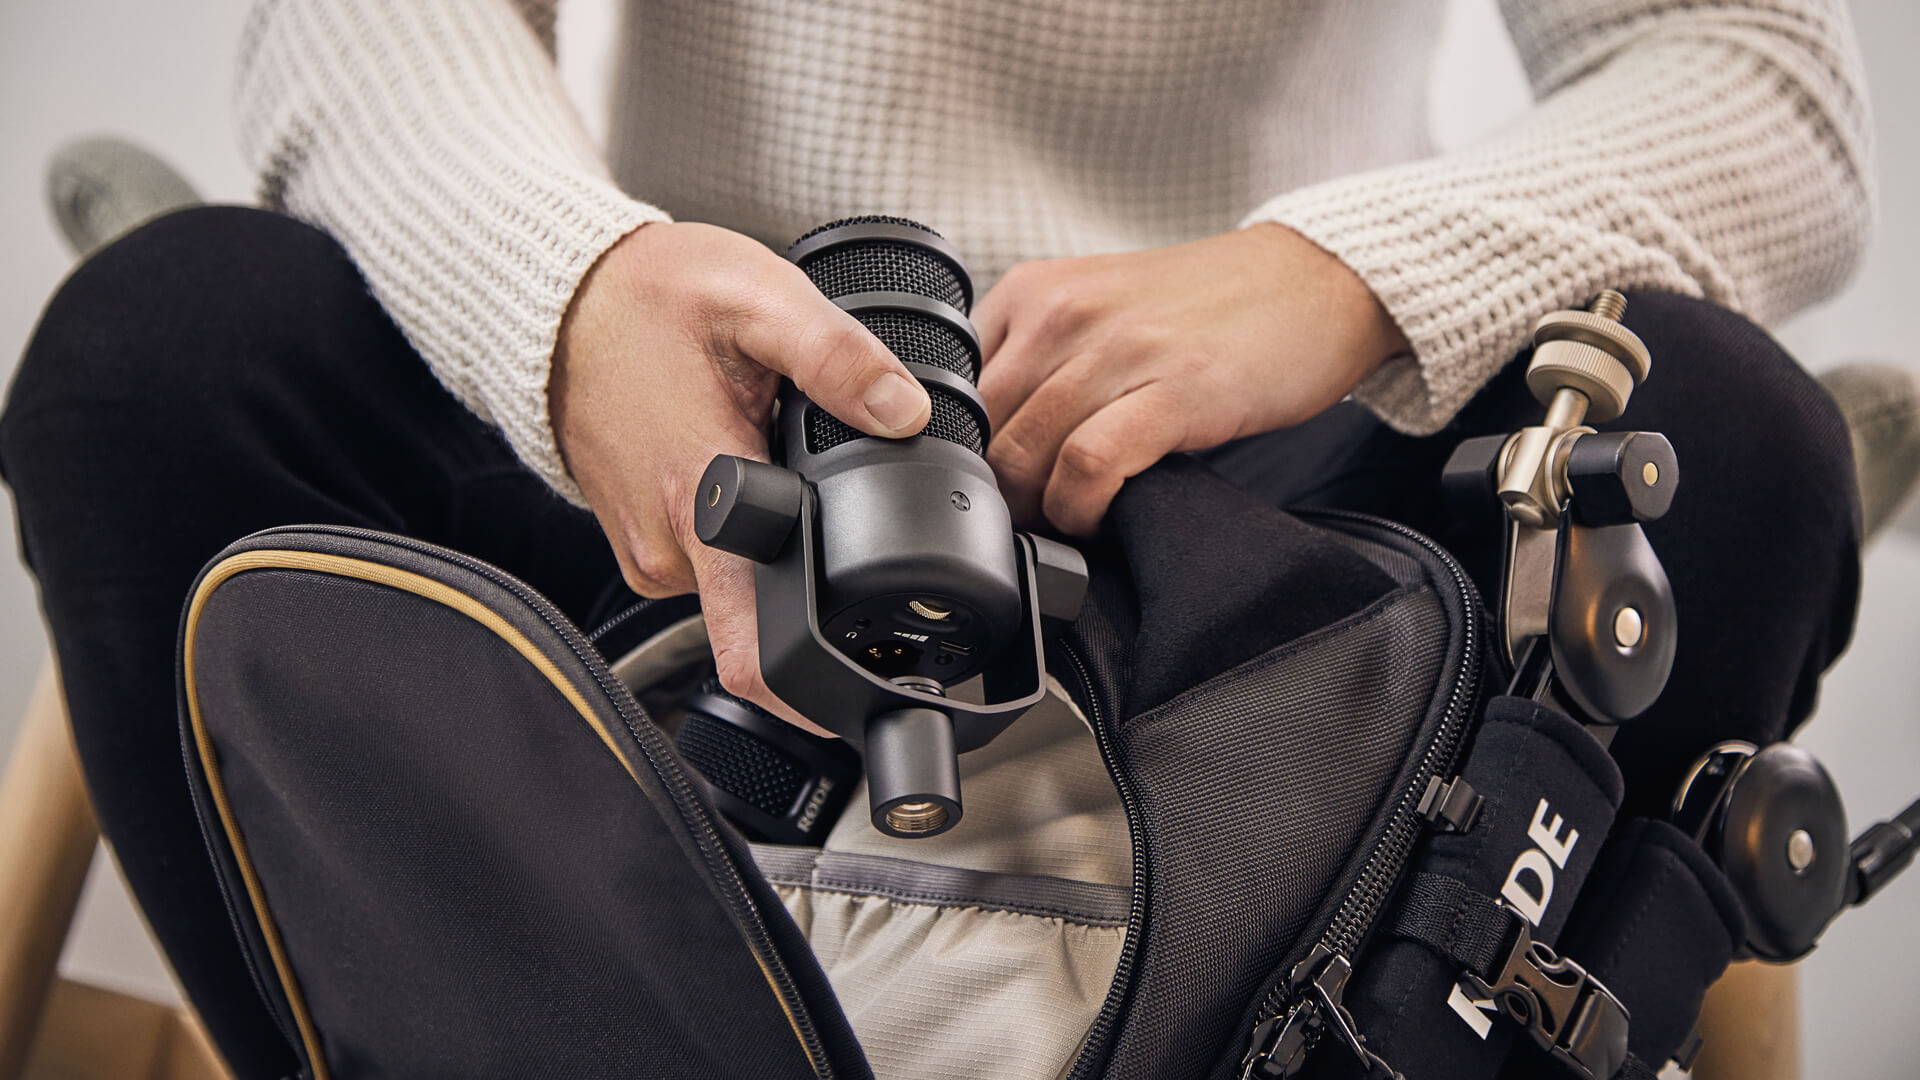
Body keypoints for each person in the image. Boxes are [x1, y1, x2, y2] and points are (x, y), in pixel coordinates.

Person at [0, 1, 1872, 1075]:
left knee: (1736, 448)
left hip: (1250, 551)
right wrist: (566, 304)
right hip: (676, 483)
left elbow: (1759, 79)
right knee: (159, 362)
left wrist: (1343, 275)